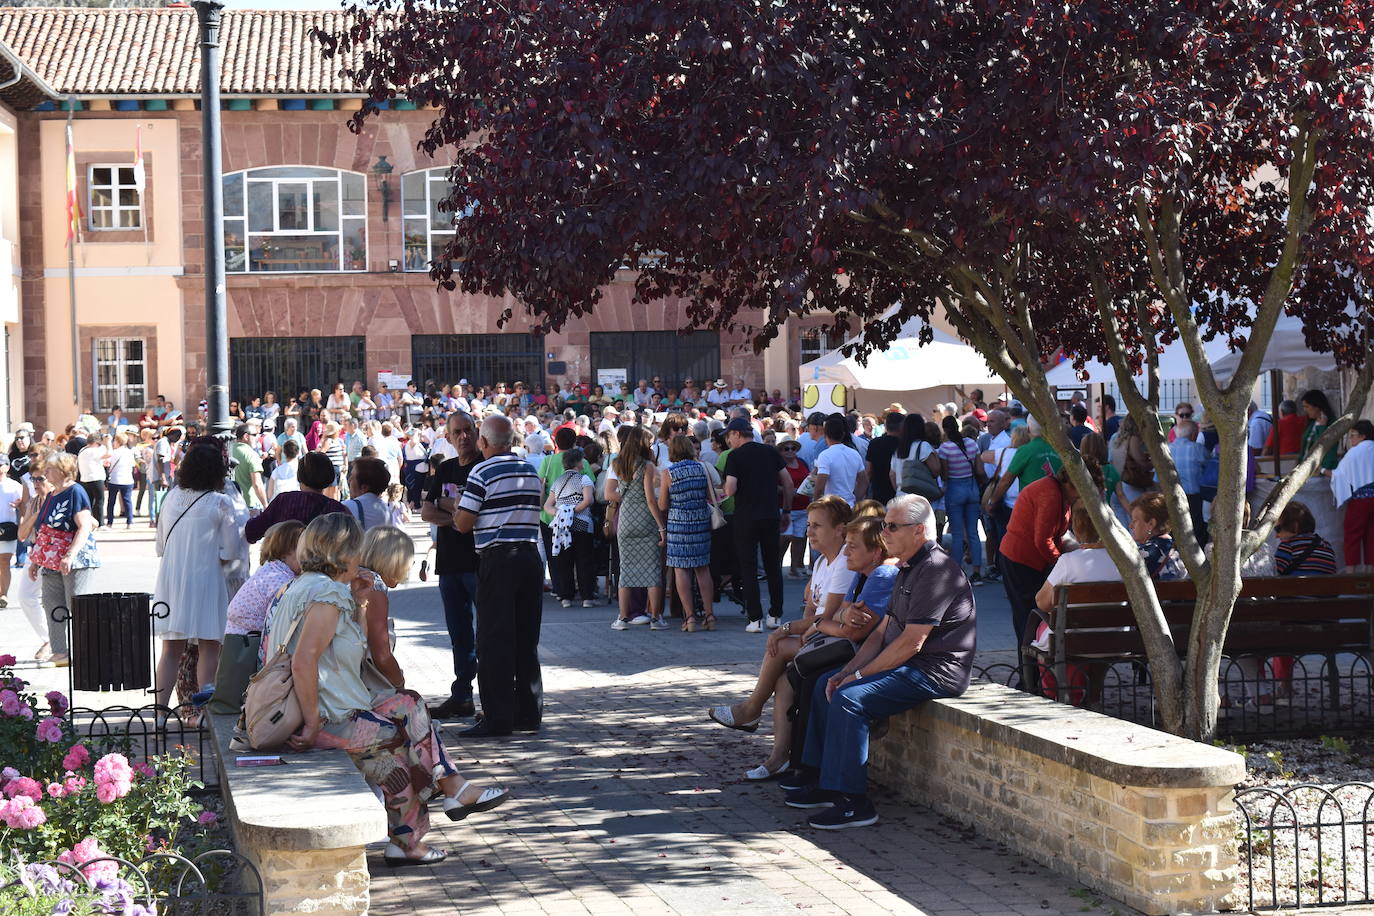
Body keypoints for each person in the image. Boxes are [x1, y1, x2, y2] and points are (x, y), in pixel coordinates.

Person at [268, 513, 508, 866]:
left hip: (332, 708)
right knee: (399, 739)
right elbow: (304, 662)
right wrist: (313, 721)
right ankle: (432, 813)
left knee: (407, 708)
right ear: (343, 552)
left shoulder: (299, 586)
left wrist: (361, 603)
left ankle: (433, 811)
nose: (360, 557)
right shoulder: (327, 593)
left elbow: (346, 651)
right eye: (356, 550)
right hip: (323, 716)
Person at [785, 494, 976, 829]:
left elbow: (911, 643)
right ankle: (822, 780)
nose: (883, 532)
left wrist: (857, 676)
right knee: (824, 684)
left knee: (848, 698)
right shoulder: (906, 565)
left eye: (892, 526)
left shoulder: (935, 570)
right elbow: (882, 631)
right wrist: (846, 671)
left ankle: (854, 802)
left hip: (935, 671)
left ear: (918, 532)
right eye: (884, 524)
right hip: (911, 665)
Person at [706, 496, 858, 767]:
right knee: (783, 681)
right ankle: (779, 757)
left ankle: (752, 709)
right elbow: (810, 612)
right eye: (809, 524)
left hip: (838, 639)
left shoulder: (844, 563)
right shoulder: (823, 562)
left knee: (779, 645)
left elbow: (828, 615)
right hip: (818, 636)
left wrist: (787, 630)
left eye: (817, 526)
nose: (809, 531)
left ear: (840, 529)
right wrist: (800, 629)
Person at [453, 414, 546, 738]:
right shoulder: (529, 470)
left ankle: (497, 717)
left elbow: (464, 523)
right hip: (529, 557)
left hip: (498, 558)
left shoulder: (482, 471)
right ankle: (529, 712)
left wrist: (455, 509)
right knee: (525, 638)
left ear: (485, 442)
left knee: (493, 640)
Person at [152, 443, 244, 712]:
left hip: (172, 579)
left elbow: (160, 546)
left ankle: (159, 712)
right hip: (206, 580)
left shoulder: (170, 498)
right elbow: (231, 551)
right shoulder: (221, 503)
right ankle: (206, 712)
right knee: (209, 647)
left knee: (170, 650)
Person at [998, 460, 1103, 652]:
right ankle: (1029, 677)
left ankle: (1034, 675)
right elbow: (1043, 540)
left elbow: (1055, 536)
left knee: (1030, 617)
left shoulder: (1061, 494)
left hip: (1032, 561)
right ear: (1076, 485)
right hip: (1020, 562)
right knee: (1026, 618)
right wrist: (1062, 564)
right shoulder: (1051, 494)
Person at [420, 412, 483, 719]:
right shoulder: (445, 468)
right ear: (447, 437)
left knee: (487, 630)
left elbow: (479, 514)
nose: (463, 437)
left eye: (467, 430)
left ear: (476, 431)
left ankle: (494, 693)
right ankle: (462, 695)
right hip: (448, 563)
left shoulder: (484, 465)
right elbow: (426, 511)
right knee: (459, 634)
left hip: (478, 563)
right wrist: (458, 520)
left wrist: (453, 509)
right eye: (457, 432)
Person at [208, 520, 304, 716]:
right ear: (287, 552)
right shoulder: (280, 580)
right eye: (303, 551)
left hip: (240, 640)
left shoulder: (272, 569)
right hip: (247, 647)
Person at [21, 452, 101, 669]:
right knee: (51, 604)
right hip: (50, 560)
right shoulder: (52, 494)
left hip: (75, 560)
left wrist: (70, 555)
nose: (45, 473)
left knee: (77, 607)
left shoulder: (75, 491)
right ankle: (60, 652)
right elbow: (45, 531)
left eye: (49, 469)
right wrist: (36, 561)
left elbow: (85, 526)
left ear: (63, 470)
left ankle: (85, 654)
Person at [722, 417, 794, 632]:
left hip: (746, 517)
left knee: (748, 567)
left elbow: (731, 489)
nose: (728, 441)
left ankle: (755, 618)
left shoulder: (735, 456)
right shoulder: (770, 452)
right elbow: (788, 483)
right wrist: (787, 510)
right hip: (770, 515)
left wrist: (724, 488)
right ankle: (776, 614)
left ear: (736, 434)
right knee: (773, 566)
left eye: (729, 436)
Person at [607, 427, 667, 629]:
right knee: (652, 570)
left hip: (625, 518)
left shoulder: (617, 463)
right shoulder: (647, 466)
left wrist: (628, 498)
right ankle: (656, 618)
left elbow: (611, 491)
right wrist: (661, 527)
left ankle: (622, 618)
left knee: (625, 570)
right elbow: (651, 499)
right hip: (644, 518)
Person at [658, 435, 715, 630]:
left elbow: (663, 504)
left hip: (678, 524)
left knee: (681, 570)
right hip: (700, 521)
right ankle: (709, 616)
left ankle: (690, 618)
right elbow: (710, 495)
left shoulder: (668, 473)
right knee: (703, 569)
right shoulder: (701, 468)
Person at [245, 452, 348, 543]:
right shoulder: (337, 510)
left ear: (300, 475)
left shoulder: (283, 501)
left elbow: (252, 532)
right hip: (322, 564)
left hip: (284, 563)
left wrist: (252, 516)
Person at [546, 447, 598, 608]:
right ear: (577, 462)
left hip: (562, 526)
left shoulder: (558, 481)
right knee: (584, 560)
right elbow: (588, 500)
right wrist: (573, 511)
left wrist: (561, 513)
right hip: (582, 525)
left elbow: (547, 505)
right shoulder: (585, 480)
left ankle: (566, 597)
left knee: (564, 561)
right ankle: (587, 597)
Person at [937, 415, 986, 583]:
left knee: (957, 534)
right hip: (972, 488)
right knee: (973, 532)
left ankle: (957, 573)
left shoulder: (945, 448)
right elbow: (979, 470)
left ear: (944, 429)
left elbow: (944, 474)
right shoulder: (971, 444)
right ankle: (977, 571)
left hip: (954, 489)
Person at [1333, 420, 1374, 567]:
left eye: (1353, 435)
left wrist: (1324, 470)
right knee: (1371, 536)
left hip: (1361, 499)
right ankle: (1370, 573)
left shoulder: (1355, 452)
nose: (1351, 439)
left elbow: (1339, 475)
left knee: (1352, 534)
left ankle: (1352, 573)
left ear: (1362, 436)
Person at [1168, 418, 1209, 546]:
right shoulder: (1197, 448)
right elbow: (1211, 466)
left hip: (1172, 496)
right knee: (1198, 531)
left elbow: (1157, 479)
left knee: (1177, 530)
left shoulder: (1166, 450)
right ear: (1193, 434)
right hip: (1194, 497)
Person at [813, 415, 867, 507]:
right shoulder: (854, 454)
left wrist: (816, 507)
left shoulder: (825, 455)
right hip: (849, 505)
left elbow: (819, 488)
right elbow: (864, 481)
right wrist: (856, 500)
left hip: (831, 507)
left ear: (825, 435)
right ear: (843, 434)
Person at [1129, 493, 1184, 579]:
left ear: (1151, 524)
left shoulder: (1142, 554)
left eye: (1135, 521)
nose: (1131, 526)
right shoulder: (1182, 549)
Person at [778, 437, 812, 577]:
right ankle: (777, 564)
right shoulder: (778, 465)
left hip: (803, 506)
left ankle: (794, 567)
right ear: (780, 451)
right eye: (787, 448)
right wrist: (787, 490)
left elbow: (809, 478)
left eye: (793, 448)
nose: (791, 451)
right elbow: (772, 485)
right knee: (785, 537)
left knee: (799, 537)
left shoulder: (802, 462)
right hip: (785, 507)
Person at [344, 456, 392, 532]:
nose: (349, 480)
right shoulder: (386, 508)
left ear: (364, 487)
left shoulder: (348, 506)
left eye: (352, 477)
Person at [1298, 389, 1340, 472]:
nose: (1305, 410)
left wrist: (1322, 428)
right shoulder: (1312, 423)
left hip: (1321, 470)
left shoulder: (1332, 424)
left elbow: (1323, 445)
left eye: (1307, 406)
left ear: (1317, 407)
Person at [231, 424, 268, 511]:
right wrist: (266, 505)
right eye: (254, 435)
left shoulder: (228, 450)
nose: (257, 438)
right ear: (246, 436)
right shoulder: (251, 455)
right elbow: (257, 484)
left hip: (231, 504)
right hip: (250, 505)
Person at [104, 433, 136, 528]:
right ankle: (129, 521)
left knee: (111, 502)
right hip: (127, 480)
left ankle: (110, 522)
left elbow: (107, 463)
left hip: (114, 479)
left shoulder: (114, 452)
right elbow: (133, 465)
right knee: (127, 501)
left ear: (117, 441)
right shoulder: (129, 452)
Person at [77, 435, 109, 527]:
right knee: (99, 501)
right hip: (96, 479)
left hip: (85, 479)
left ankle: (88, 522)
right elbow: (109, 453)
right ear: (95, 442)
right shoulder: (93, 451)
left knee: (89, 502)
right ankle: (100, 523)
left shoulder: (82, 450)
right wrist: (108, 442)